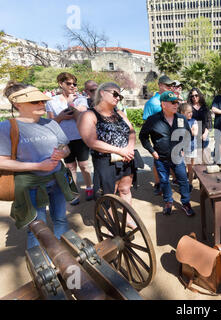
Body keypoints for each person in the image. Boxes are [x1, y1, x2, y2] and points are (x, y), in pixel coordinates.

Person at [0, 82, 76, 249]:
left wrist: (63, 153)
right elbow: (2, 161)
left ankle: (64, 257)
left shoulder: (51, 123)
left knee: (61, 219)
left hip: (57, 181)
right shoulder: (6, 128)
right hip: (30, 187)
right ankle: (41, 266)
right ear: (17, 104)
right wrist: (38, 166)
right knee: (36, 227)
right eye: (35, 102)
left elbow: (66, 147)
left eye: (42, 101)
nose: (42, 104)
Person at [78, 82, 138, 229]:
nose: (118, 98)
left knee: (125, 190)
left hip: (126, 158)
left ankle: (128, 218)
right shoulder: (89, 115)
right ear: (102, 93)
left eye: (120, 96)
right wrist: (119, 150)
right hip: (105, 161)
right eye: (115, 94)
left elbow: (131, 131)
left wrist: (129, 148)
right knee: (108, 195)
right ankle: (114, 225)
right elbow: (91, 141)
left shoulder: (119, 113)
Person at [139, 91, 195, 217]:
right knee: (164, 181)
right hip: (161, 158)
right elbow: (143, 136)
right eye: (173, 102)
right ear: (163, 104)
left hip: (177, 157)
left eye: (177, 102)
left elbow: (188, 135)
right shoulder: (153, 120)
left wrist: (183, 148)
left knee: (183, 180)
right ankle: (168, 202)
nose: (176, 105)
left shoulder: (181, 119)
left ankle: (186, 203)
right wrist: (152, 151)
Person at [46, 72, 93, 206]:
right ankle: (74, 192)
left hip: (80, 137)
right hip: (63, 139)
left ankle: (89, 188)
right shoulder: (51, 102)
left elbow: (82, 114)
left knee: (84, 165)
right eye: (69, 83)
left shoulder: (80, 99)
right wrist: (60, 117)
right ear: (61, 84)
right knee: (70, 167)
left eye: (74, 84)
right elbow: (50, 122)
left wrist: (71, 102)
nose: (72, 86)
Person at [143, 75, 176, 195]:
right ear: (160, 85)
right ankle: (158, 184)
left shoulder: (172, 99)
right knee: (158, 162)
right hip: (158, 139)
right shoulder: (152, 103)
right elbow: (146, 123)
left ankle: (172, 180)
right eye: (168, 85)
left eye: (172, 85)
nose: (171, 87)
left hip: (172, 137)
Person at [187, 88, 213, 164]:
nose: (194, 97)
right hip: (193, 134)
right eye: (192, 96)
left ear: (199, 95)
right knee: (194, 156)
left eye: (196, 95)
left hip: (204, 133)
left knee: (203, 155)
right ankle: (193, 173)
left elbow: (209, 121)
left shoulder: (205, 108)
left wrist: (205, 133)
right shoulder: (189, 107)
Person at [179, 102, 197, 188]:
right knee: (182, 168)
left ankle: (190, 184)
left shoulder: (194, 121)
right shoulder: (179, 121)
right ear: (182, 113)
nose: (191, 114)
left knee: (190, 168)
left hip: (191, 148)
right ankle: (184, 183)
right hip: (181, 149)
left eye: (191, 112)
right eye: (188, 112)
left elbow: (194, 133)